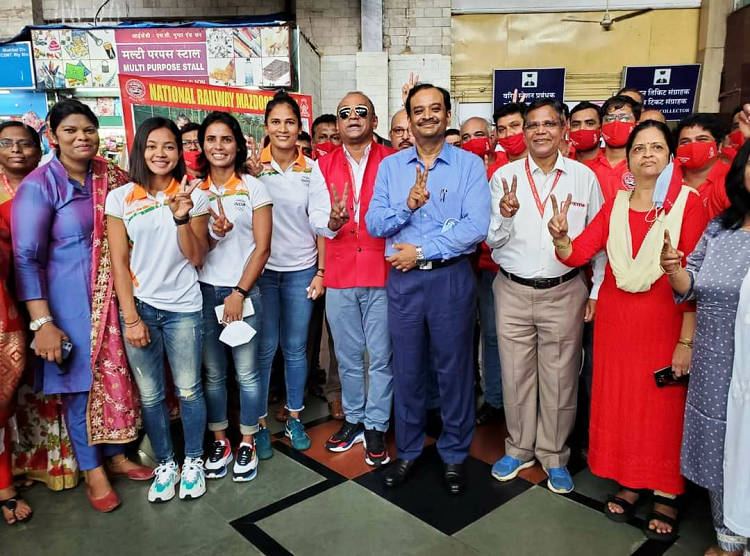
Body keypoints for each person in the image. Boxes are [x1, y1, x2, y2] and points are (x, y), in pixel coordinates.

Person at [553, 120, 706, 540]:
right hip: (619, 325)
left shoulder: (688, 205)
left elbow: (694, 279)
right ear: (630, 159)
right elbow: (578, 254)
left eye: (657, 148)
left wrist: (686, 340)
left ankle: (667, 492)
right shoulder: (616, 204)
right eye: (640, 148)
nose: (648, 155)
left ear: (670, 158)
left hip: (666, 323)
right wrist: (563, 239)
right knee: (623, 404)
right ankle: (631, 480)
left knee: (663, 411)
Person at [12, 99, 151, 513]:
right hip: (69, 308)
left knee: (117, 382)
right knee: (80, 389)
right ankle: (93, 473)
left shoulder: (112, 177)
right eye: (70, 131)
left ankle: (117, 455)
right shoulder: (41, 185)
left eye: (88, 130)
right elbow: (25, 258)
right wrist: (42, 323)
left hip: (117, 301)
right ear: (52, 137)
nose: (81, 138)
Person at [367, 83, 490, 495]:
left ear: (447, 116)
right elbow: (374, 224)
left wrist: (420, 251)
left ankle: (454, 454)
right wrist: (408, 206)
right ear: (409, 119)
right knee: (407, 367)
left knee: (453, 369)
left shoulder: (470, 166)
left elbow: (475, 229)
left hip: (450, 278)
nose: (427, 116)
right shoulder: (390, 167)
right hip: (403, 282)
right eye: (418, 110)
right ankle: (409, 450)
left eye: (435, 109)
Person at [487, 98, 604, 494]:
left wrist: (597, 290)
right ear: (523, 132)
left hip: (565, 290)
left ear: (563, 129)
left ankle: (554, 455)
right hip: (513, 290)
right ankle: (519, 448)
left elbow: (597, 242)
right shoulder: (504, 177)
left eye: (548, 124)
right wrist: (505, 214)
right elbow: (492, 240)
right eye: (532, 125)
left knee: (560, 377)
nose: (540, 131)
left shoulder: (583, 178)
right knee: (515, 375)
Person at [106, 116, 210, 503]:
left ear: (179, 152)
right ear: (140, 151)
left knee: (188, 389)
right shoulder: (120, 198)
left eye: (169, 146)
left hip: (184, 307)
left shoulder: (193, 194)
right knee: (150, 395)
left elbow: (197, 257)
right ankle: (166, 463)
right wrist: (131, 317)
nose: (161, 154)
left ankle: (194, 460)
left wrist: (181, 216)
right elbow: (119, 262)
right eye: (152, 146)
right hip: (142, 308)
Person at [661, 138, 750, 555]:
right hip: (715, 356)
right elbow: (690, 282)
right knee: (721, 443)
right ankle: (728, 537)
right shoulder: (721, 227)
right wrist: (675, 269)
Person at [315, 92, 395, 465]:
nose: (352, 117)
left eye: (361, 111)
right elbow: (315, 218)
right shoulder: (322, 165)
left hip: (383, 272)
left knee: (380, 356)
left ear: (373, 121)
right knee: (346, 356)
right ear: (338, 123)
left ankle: (377, 424)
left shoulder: (394, 160)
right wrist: (331, 222)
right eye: (344, 113)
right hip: (341, 273)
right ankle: (355, 419)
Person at [193, 112, 273, 481]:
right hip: (205, 293)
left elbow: (262, 248)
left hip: (244, 292)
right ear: (202, 146)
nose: (219, 146)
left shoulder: (254, 188)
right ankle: (220, 440)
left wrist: (240, 292)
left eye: (226, 139)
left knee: (247, 374)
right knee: (213, 374)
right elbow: (194, 252)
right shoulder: (195, 192)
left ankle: (247, 441)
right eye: (211, 139)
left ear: (238, 145)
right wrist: (214, 235)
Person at [256, 92, 335, 452]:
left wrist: (320, 271)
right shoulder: (253, 168)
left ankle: (295, 417)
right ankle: (256, 422)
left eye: (290, 122)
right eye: (276, 122)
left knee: (295, 347)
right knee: (264, 347)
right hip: (262, 272)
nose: (283, 129)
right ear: (266, 127)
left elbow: (319, 223)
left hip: (301, 270)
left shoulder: (312, 169)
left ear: (299, 128)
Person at [0, 121, 40, 525]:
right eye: (8, 144)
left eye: (25, 144)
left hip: (43, 295)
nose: (17, 151)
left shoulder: (50, 184)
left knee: (35, 387)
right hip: (7, 296)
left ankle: (34, 464)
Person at [458, 117, 504, 426]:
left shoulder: (506, 167)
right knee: (463, 336)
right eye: (466, 136)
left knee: (493, 337)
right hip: (462, 266)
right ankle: (483, 395)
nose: (473, 140)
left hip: (496, 267)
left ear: (491, 136)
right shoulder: (458, 168)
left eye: (479, 134)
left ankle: (498, 399)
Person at [672, 114, 730, 220]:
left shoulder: (732, 178)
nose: (693, 146)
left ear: (719, 146)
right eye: (685, 141)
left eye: (702, 139)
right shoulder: (667, 175)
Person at [586, 95, 641, 202]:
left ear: (637, 125)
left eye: (624, 118)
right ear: (601, 127)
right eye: (609, 119)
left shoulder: (644, 165)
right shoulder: (587, 168)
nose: (616, 123)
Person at [492, 103, 528, 171]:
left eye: (515, 125)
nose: (508, 134)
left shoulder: (545, 162)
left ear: (528, 126)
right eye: (502, 129)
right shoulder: (495, 171)